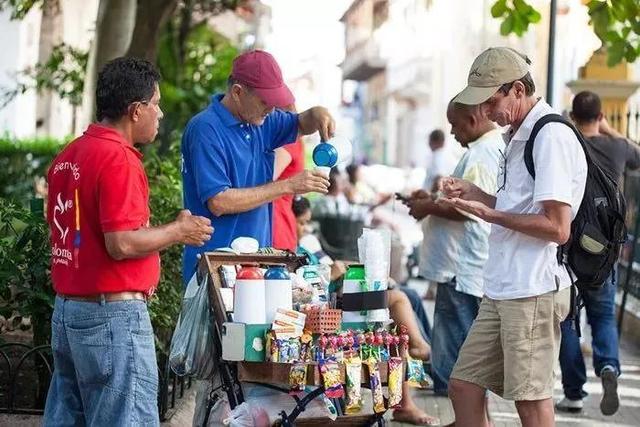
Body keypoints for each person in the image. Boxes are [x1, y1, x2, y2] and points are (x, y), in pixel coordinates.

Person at [43, 57, 213, 426]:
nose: (160, 113)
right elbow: (120, 243)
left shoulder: (68, 155)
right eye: (155, 104)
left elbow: (64, 229)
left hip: (69, 311)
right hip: (110, 316)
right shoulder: (118, 159)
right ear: (136, 111)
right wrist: (179, 230)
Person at [441, 47, 587, 427]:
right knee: (463, 385)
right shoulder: (517, 135)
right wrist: (476, 194)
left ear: (518, 90)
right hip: (504, 285)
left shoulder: (550, 135)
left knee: (530, 400)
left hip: (533, 287)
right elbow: (519, 207)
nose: (486, 112)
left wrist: (491, 214)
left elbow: (558, 227)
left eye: (491, 101)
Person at [181, 49, 334, 282]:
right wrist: (287, 186)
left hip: (256, 267)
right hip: (216, 269)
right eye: (265, 101)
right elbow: (219, 201)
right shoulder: (205, 129)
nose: (272, 109)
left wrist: (318, 114)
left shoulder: (262, 122)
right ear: (238, 92)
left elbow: (303, 122)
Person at [293, 196, 438, 426]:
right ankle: (420, 350)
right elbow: (306, 288)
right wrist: (331, 274)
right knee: (398, 301)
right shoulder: (293, 249)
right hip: (327, 309)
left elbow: (333, 264)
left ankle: (409, 387)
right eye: (301, 222)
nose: (305, 227)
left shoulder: (307, 243)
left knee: (403, 304)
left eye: (306, 222)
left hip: (338, 300)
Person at [404, 99, 503, 398]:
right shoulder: (480, 151)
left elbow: (470, 209)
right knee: (456, 352)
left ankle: (460, 409)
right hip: (458, 268)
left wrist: (428, 207)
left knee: (458, 360)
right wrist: (430, 199)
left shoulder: (483, 153)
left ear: (472, 120)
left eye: (455, 124)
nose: (452, 131)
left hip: (461, 268)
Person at [555, 90, 640, 415]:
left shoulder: (568, 142)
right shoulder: (617, 147)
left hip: (570, 247)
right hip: (606, 250)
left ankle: (574, 393)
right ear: (601, 116)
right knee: (603, 316)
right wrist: (610, 130)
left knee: (566, 321)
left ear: (574, 116)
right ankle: (609, 367)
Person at [272, 104, 305, 252]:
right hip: (280, 221)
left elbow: (265, 177)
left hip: (276, 224)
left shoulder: (288, 141)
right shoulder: (293, 140)